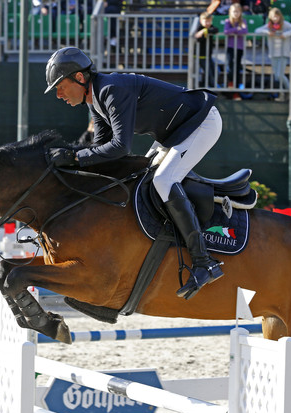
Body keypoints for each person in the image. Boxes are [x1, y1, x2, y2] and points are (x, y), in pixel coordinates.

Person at [43, 47, 224, 299]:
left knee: (163, 180)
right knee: (142, 179)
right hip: (175, 134)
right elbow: (99, 151)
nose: (59, 94)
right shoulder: (96, 102)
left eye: (60, 86)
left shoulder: (110, 90)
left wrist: (74, 157)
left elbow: (120, 147)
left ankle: (205, 262)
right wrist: (72, 162)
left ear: (80, 78)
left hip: (201, 123)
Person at [255, 7, 291, 99]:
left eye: (277, 17)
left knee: (280, 75)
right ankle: (282, 94)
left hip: (283, 53)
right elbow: (257, 31)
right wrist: (267, 32)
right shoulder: (269, 26)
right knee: (277, 76)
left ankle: (290, 92)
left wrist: (286, 34)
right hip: (273, 53)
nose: (276, 19)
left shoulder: (285, 25)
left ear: (280, 16)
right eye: (273, 17)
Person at [224, 2, 249, 99]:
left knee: (237, 67)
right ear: (230, 12)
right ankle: (230, 84)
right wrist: (236, 29)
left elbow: (245, 31)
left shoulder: (243, 21)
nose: (236, 13)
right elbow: (226, 31)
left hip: (239, 48)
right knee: (230, 66)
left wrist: (234, 30)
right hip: (230, 47)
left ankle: (236, 90)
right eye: (234, 11)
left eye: (238, 11)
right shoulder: (228, 21)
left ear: (240, 12)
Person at [195, 11, 220, 88]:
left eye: (209, 21)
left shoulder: (208, 28)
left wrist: (204, 31)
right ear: (201, 21)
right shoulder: (199, 28)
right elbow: (198, 39)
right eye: (205, 21)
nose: (207, 23)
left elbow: (216, 29)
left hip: (208, 56)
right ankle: (212, 88)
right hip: (200, 56)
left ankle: (205, 84)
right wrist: (202, 32)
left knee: (216, 71)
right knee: (208, 72)